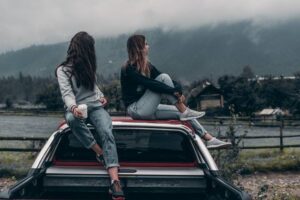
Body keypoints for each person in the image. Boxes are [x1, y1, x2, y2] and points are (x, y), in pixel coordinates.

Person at [120, 34, 231, 149]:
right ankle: (184, 110)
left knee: (181, 114)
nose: (149, 46)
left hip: (148, 108)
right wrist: (174, 92)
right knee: (163, 78)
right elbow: (151, 84)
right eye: (146, 44)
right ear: (139, 48)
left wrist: (178, 90)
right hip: (135, 109)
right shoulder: (128, 68)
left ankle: (209, 139)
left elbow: (168, 81)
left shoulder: (147, 66)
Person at [55, 31, 125, 200]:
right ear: (84, 49)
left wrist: (101, 97)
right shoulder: (63, 70)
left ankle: (115, 182)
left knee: (107, 133)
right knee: (71, 119)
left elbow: (94, 88)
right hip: (77, 109)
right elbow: (67, 94)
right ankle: (99, 152)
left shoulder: (88, 66)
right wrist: (73, 108)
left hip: (96, 107)